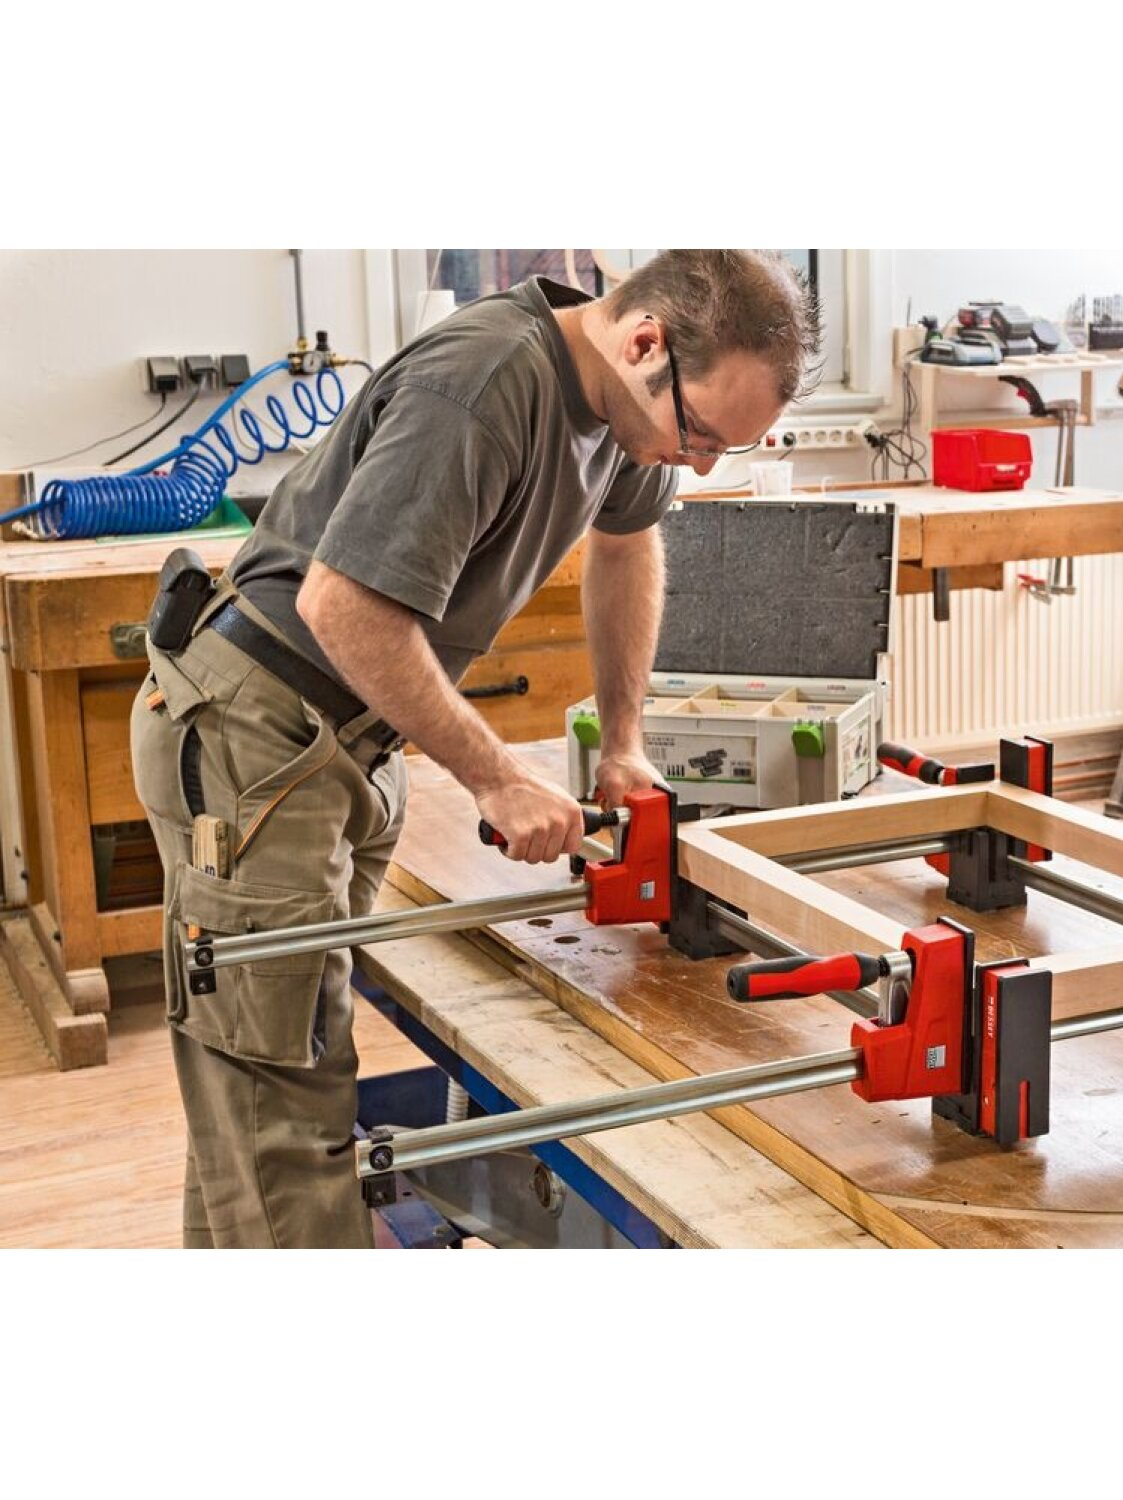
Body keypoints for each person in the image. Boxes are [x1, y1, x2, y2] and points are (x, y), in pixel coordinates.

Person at [130, 249, 821, 1248]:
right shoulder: (486, 385)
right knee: (280, 1100)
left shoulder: (629, 410)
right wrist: (496, 776)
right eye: (702, 434)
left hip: (343, 735)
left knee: (258, 1089)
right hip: (260, 730)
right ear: (645, 343)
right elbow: (343, 608)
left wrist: (624, 741)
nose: (701, 464)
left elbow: (629, 543)